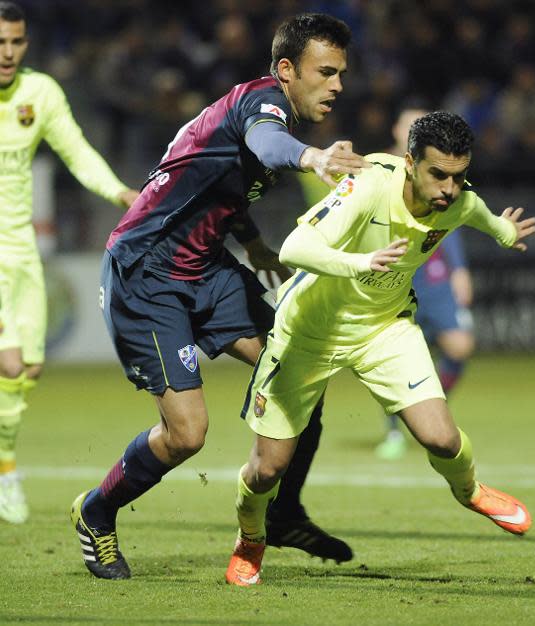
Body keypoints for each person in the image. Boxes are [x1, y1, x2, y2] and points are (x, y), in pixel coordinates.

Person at [70, 12, 368, 580]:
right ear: (286, 70)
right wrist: (314, 157)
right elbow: (268, 142)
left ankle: (282, 514)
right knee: (188, 434)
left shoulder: (261, 111)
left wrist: (255, 246)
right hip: (146, 273)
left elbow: (224, 191)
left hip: (206, 268)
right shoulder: (263, 108)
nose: (337, 85)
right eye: (326, 72)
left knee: (302, 367)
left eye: (342, 73)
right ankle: (96, 511)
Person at [225, 110, 535, 586]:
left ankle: (471, 490)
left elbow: (484, 218)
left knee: (442, 439)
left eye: (458, 176)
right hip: (309, 331)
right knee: (267, 471)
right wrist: (361, 262)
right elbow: (293, 249)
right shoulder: (369, 184)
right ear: (410, 162)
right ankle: (250, 538)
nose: (449, 189)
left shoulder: (457, 199)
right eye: (438, 175)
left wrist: (507, 233)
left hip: (384, 330)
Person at [0, 1, 139, 525]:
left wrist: (117, 190)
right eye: (0, 43)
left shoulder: (41, 94)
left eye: (16, 42)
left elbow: (76, 150)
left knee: (28, 367)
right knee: (9, 362)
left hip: (21, 250)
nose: (8, 53)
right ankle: (7, 472)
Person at [375, 107, 476, 460]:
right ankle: (395, 433)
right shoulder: (381, 166)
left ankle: (430, 406)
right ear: (398, 128)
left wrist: (459, 269)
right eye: (409, 122)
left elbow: (451, 218)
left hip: (433, 278)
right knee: (393, 360)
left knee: (460, 346)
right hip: (394, 273)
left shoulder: (440, 168)